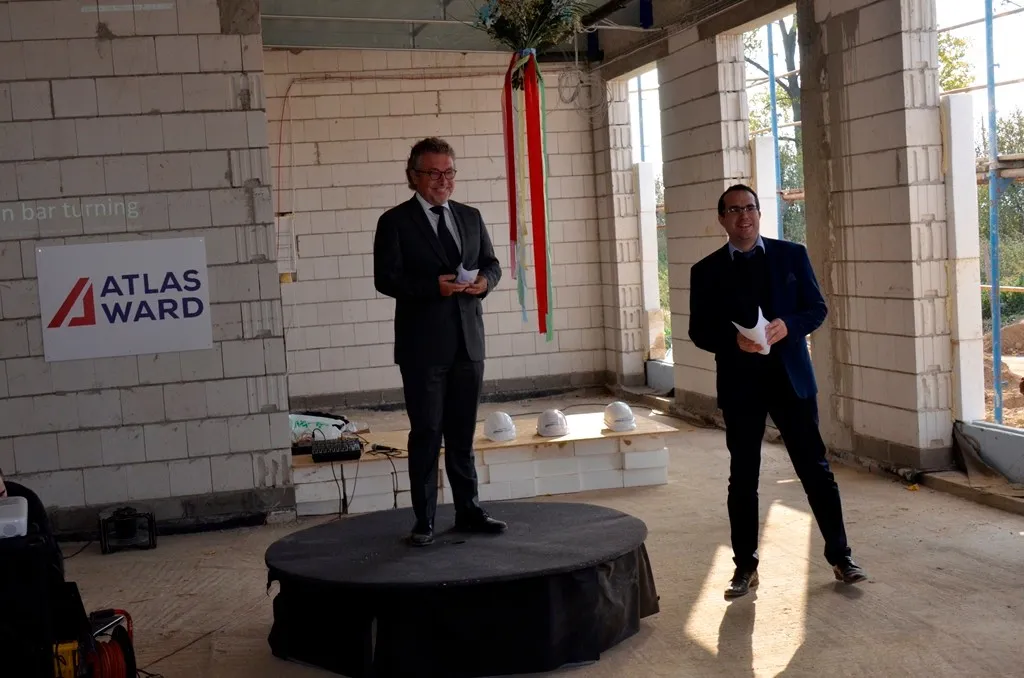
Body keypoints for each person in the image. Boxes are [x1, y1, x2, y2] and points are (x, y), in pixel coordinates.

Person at [688, 184, 868, 598]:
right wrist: (734, 341)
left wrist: (789, 325)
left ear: (759, 213)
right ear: (722, 218)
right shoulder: (706, 270)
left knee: (816, 471)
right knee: (743, 477)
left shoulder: (792, 255)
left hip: (791, 381)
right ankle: (744, 567)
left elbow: (816, 308)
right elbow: (699, 330)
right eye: (734, 210)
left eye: (749, 207)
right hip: (741, 384)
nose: (743, 216)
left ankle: (841, 557)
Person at [373, 137, 507, 546]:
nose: (442, 180)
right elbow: (386, 279)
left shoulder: (470, 216)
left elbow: (492, 264)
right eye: (433, 173)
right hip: (423, 348)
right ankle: (424, 520)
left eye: (448, 172)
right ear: (413, 176)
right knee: (427, 433)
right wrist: (434, 287)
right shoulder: (394, 222)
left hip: (469, 343)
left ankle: (469, 510)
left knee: (462, 435)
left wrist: (485, 283)